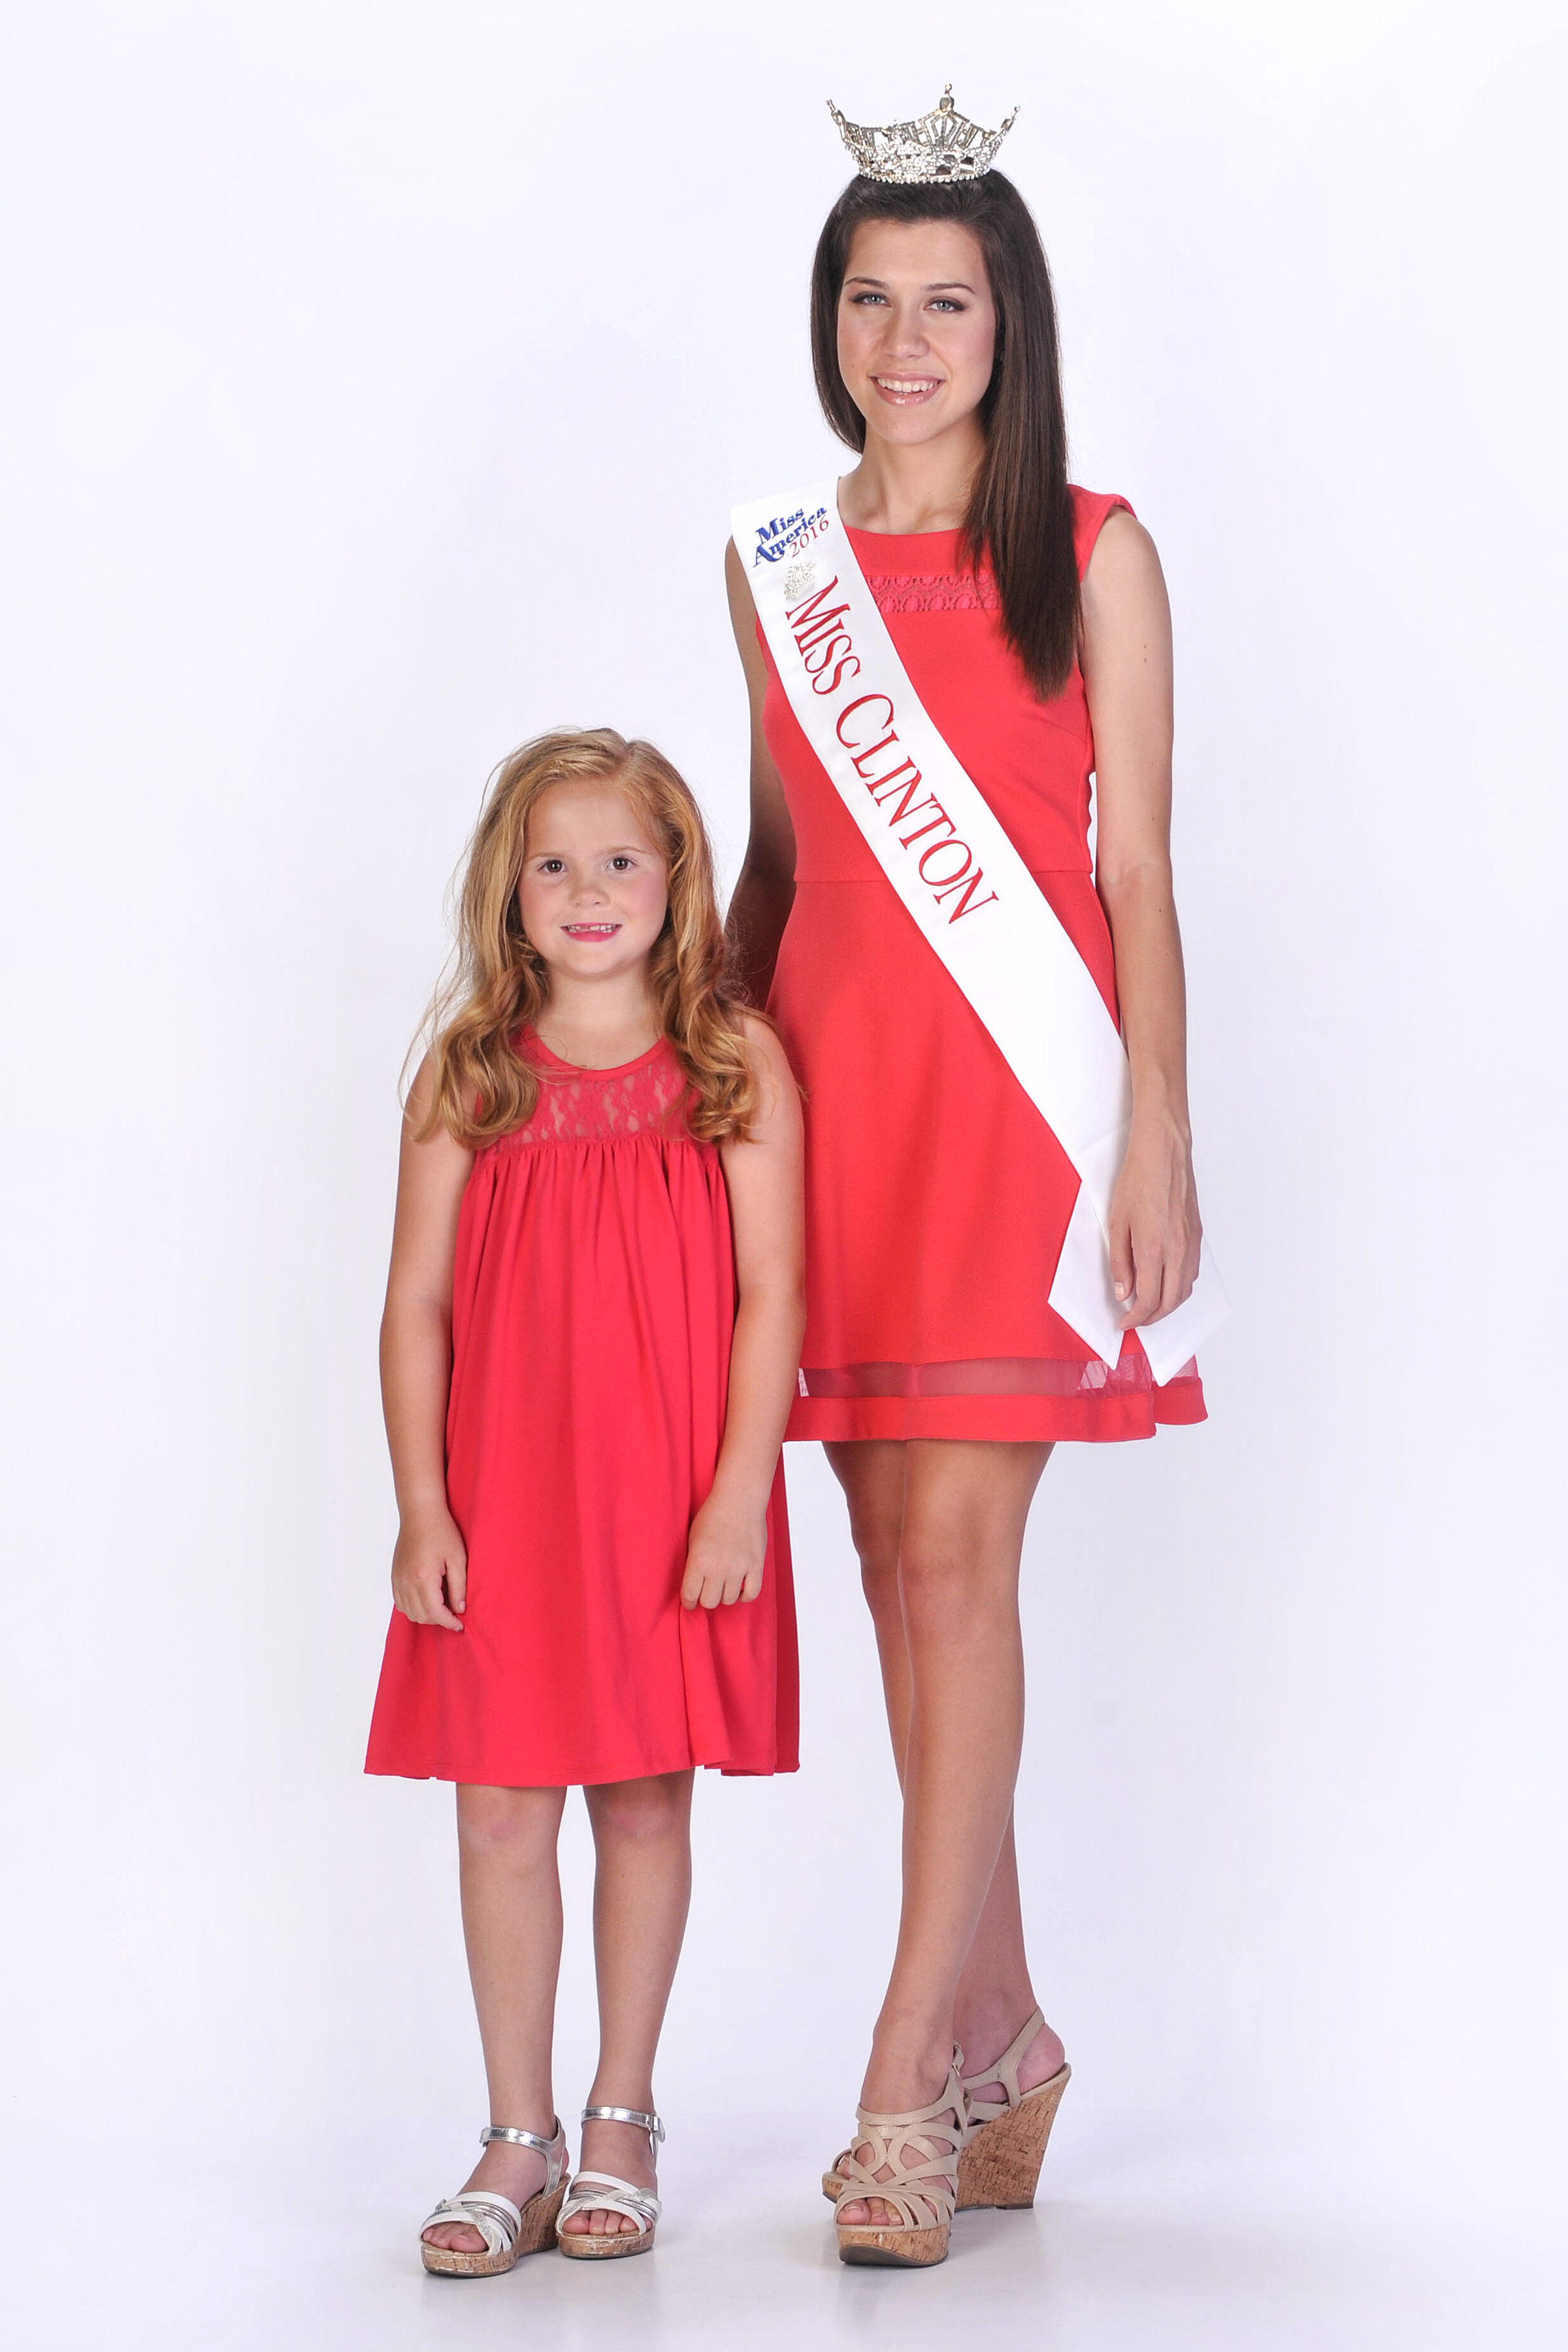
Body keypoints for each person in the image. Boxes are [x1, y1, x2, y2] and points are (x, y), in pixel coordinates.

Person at [726, 94, 1216, 2268]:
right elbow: (775, 868)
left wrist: (1160, 1126)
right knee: (894, 1586)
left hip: (1019, 1112)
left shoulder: (1093, 552)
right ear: (827, 321)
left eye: (946, 302)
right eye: (871, 300)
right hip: (828, 1112)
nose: (905, 343)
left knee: (959, 1566)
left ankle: (901, 2086)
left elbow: (1139, 870)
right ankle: (1004, 2037)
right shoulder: (775, 569)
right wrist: (692, 1112)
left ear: (1011, 324)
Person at [365, 728, 804, 2272]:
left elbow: (774, 1293)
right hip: (505, 1498)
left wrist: (738, 1495)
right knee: (498, 1808)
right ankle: (517, 2135)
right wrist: (423, 1506)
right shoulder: (472, 1073)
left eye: (620, 858)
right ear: (511, 890)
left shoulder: (733, 1065)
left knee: (641, 1796)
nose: (588, 888)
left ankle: (623, 2116)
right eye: (553, 863)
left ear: (677, 877)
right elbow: (417, 1303)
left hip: (667, 1498)